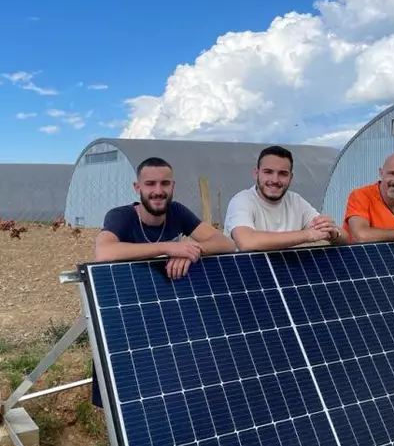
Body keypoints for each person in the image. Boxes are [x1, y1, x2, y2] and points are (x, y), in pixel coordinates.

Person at [90, 156, 235, 407]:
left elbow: (226, 243)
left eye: (165, 184)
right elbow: (104, 252)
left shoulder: (177, 212)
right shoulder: (122, 216)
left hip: (164, 313)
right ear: (138, 188)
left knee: (165, 388)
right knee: (125, 397)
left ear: (173, 186)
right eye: (151, 184)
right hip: (127, 314)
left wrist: (191, 250)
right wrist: (169, 248)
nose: (158, 191)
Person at [224, 145, 349, 251]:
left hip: (286, 272)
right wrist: (307, 235)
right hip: (249, 274)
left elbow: (345, 237)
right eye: (268, 172)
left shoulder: (295, 201)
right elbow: (247, 242)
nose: (275, 180)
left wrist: (333, 233)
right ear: (256, 173)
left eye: (283, 174)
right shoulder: (242, 201)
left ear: (291, 177)